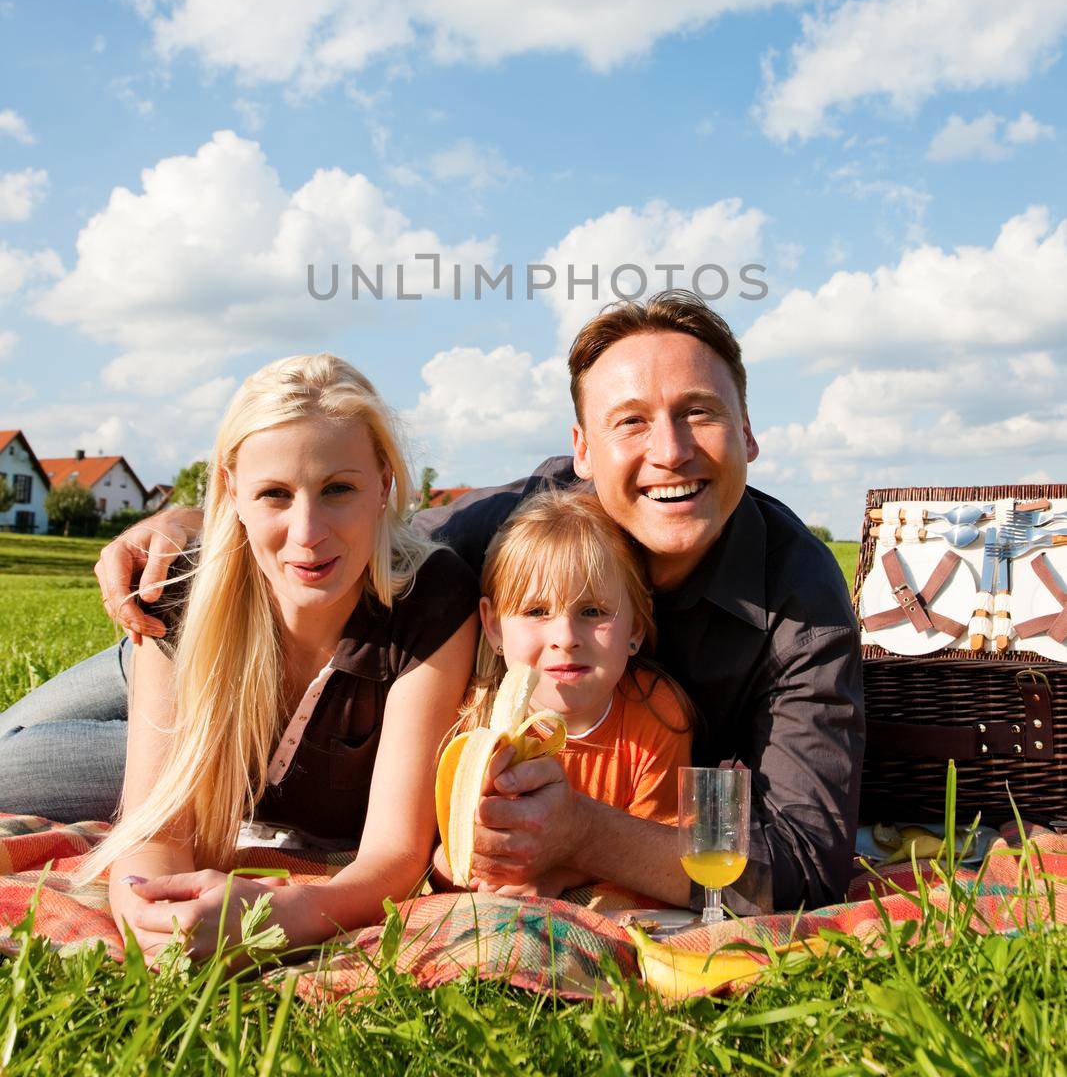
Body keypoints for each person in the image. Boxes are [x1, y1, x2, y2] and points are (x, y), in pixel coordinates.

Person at [3, 292, 864, 916]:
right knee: (16, 743)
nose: (669, 451)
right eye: (630, 421)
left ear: (748, 432)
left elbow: (807, 861)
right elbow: (353, 523)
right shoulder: (523, 518)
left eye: (700, 413)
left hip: (297, 725)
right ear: (582, 450)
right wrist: (211, 519)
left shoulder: (800, 600)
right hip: (209, 638)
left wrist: (585, 835)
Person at [77, 353, 477, 959]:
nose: (307, 531)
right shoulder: (181, 589)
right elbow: (156, 824)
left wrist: (288, 913)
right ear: (231, 493)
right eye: (274, 495)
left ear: (385, 487)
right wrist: (148, 904)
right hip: (159, 695)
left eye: (338, 489)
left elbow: (395, 856)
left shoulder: (431, 599)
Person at [436, 485, 692, 896]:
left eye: (592, 612)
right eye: (537, 612)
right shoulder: (468, 718)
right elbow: (438, 860)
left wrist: (555, 874)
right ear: (494, 625)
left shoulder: (658, 718)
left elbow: (657, 856)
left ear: (636, 628)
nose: (566, 637)